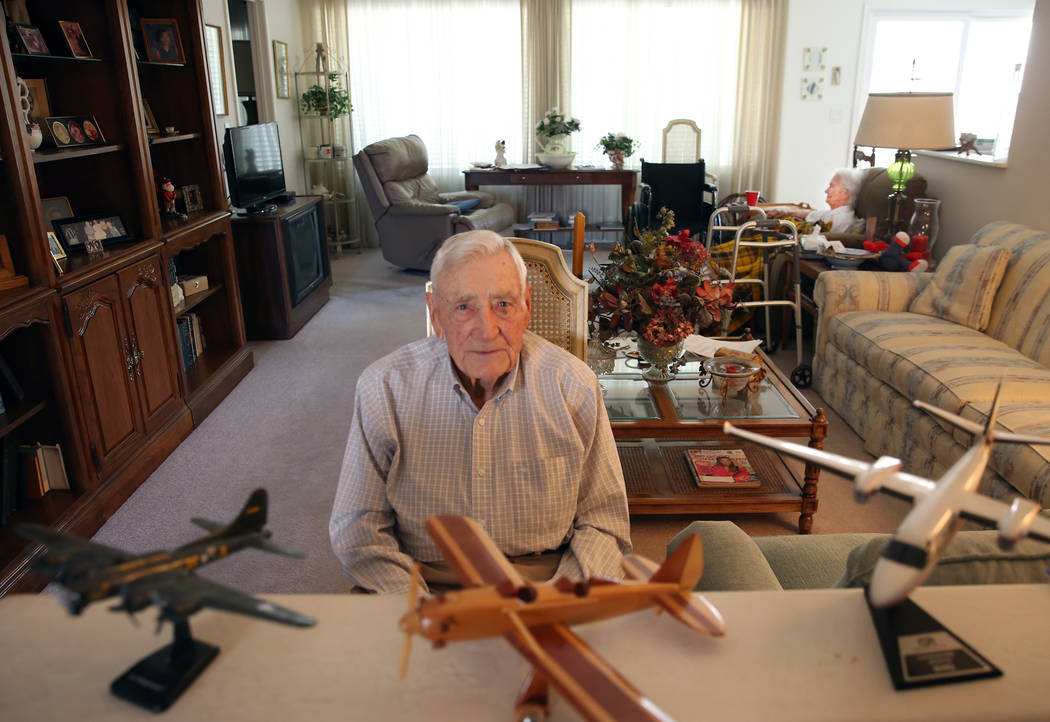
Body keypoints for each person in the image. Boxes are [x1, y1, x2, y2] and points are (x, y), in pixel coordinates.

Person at [330, 230, 632, 594]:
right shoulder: (384, 388)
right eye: (463, 307)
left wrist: (557, 603)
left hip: (546, 583)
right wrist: (421, 609)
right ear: (435, 313)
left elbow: (605, 522)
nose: (487, 331)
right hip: (422, 582)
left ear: (527, 307)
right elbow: (357, 528)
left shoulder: (573, 386)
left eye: (503, 304)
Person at [767, 168, 864, 234]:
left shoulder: (840, 219)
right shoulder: (834, 214)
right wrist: (787, 211)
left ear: (845, 193)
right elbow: (812, 213)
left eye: (832, 186)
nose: (826, 191)